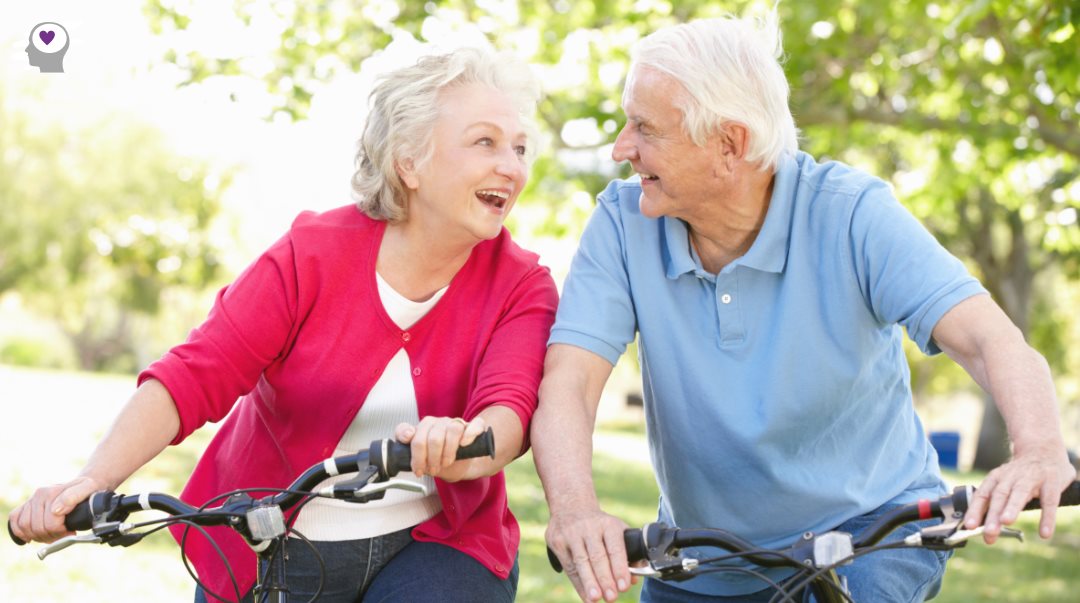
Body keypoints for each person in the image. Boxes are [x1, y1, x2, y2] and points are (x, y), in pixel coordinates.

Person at [531, 12, 1075, 603]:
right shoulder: (622, 222)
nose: (621, 148)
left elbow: (990, 340)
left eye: (645, 128)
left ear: (729, 145)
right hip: (705, 556)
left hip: (871, 533)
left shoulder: (851, 214)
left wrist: (1041, 450)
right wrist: (576, 510)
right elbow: (571, 382)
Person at [9, 46, 558, 603]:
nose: (512, 167)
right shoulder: (311, 255)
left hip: (438, 544)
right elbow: (197, 374)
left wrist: (464, 441)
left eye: (518, 148)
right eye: (485, 142)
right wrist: (94, 481)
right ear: (408, 162)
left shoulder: (523, 285)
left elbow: (508, 412)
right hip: (271, 535)